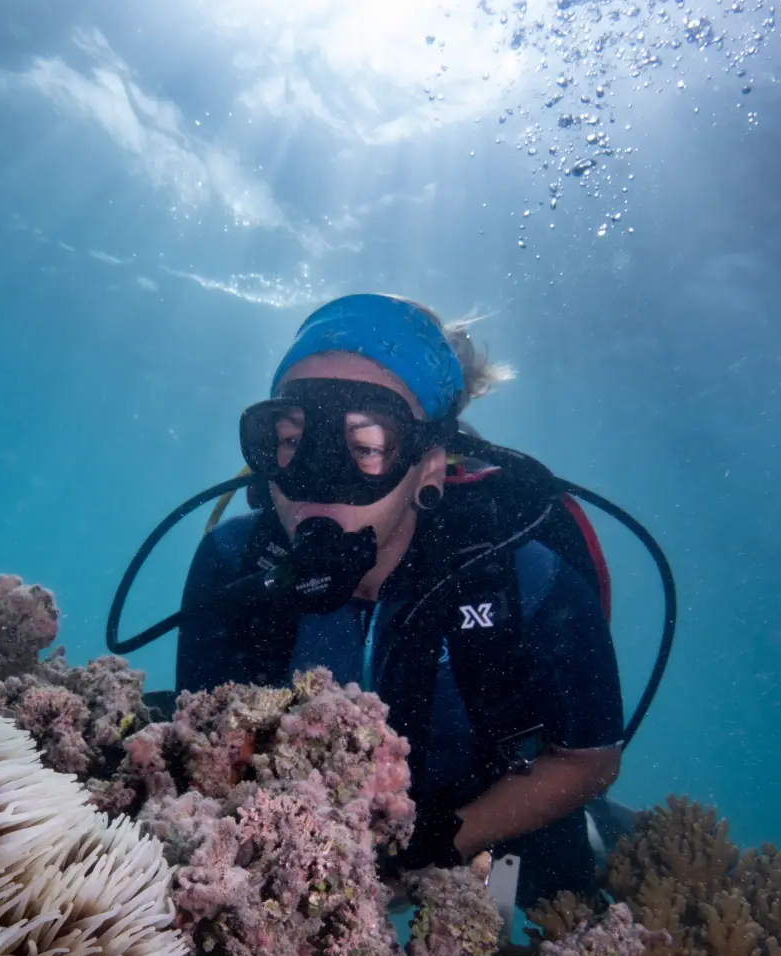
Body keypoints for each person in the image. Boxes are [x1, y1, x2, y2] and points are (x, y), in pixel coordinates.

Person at [174, 293, 626, 906]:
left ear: (430, 468)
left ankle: (617, 834)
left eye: (365, 447)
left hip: (491, 815)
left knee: (555, 914)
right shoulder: (232, 566)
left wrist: (447, 841)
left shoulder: (524, 579)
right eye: (289, 439)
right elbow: (206, 744)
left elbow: (588, 760)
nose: (317, 479)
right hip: (302, 832)